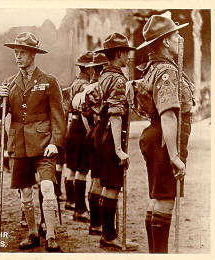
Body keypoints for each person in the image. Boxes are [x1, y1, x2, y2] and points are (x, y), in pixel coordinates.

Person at [0, 32, 66, 252]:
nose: (18, 57)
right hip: (19, 144)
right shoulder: (9, 83)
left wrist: (56, 141)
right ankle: (33, 233)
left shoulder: (49, 81)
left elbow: (58, 115)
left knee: (47, 187)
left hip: (45, 144)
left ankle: (52, 236)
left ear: (33, 54)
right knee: (25, 193)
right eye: (16, 53)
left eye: (22, 53)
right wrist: (0, 98)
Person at [133, 13, 193, 253]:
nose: (180, 39)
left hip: (158, 136)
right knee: (165, 200)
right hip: (165, 139)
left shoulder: (154, 67)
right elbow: (168, 114)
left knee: (157, 199)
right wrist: (175, 156)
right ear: (165, 42)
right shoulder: (167, 71)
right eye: (176, 35)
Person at [83, 32, 138, 250]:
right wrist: (118, 150)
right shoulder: (117, 79)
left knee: (107, 184)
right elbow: (116, 114)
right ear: (117, 54)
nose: (128, 56)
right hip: (110, 135)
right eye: (125, 52)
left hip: (100, 131)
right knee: (113, 185)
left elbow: (90, 104)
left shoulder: (103, 76)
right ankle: (109, 236)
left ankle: (108, 233)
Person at [65, 51, 94, 221]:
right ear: (88, 69)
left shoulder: (75, 82)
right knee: (82, 170)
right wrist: (89, 131)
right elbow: (85, 112)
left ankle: (71, 202)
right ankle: (81, 209)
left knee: (72, 168)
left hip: (72, 126)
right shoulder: (84, 85)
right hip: (80, 127)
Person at [82, 52, 109, 235]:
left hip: (92, 131)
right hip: (102, 131)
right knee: (101, 179)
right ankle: (97, 223)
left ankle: (94, 223)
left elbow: (84, 113)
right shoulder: (103, 86)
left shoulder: (89, 88)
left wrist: (91, 129)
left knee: (94, 178)